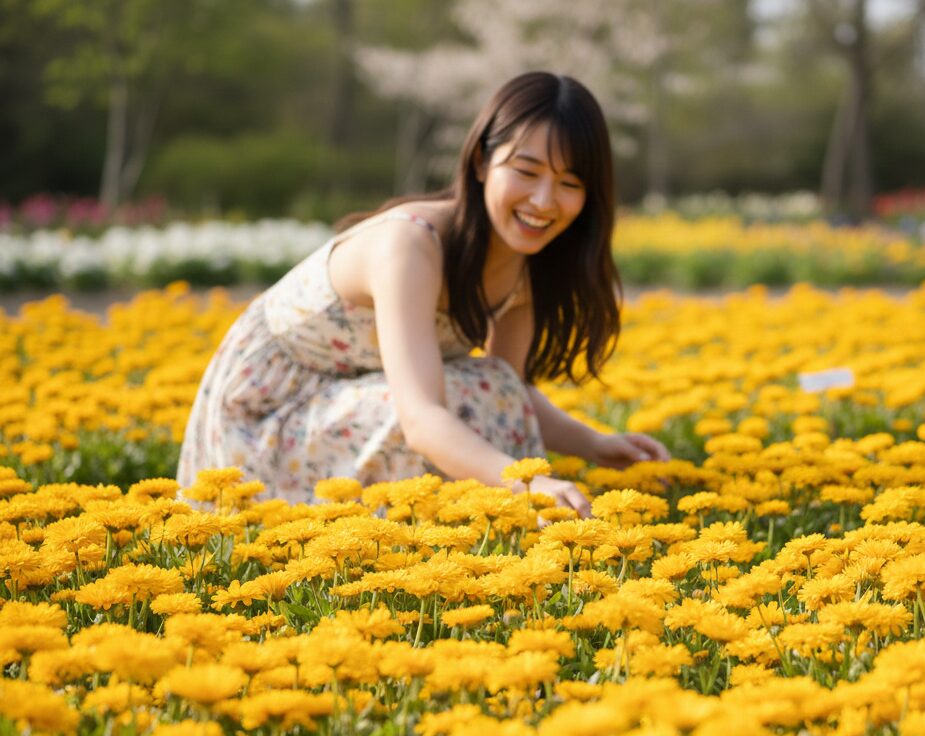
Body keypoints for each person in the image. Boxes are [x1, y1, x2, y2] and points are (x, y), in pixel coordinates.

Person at [177, 71, 670, 515]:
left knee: (489, 387)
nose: (543, 201)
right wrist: (526, 484)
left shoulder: (526, 268)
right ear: (481, 162)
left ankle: (475, 544)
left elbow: (509, 391)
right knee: (456, 401)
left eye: (569, 182)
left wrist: (595, 444)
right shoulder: (409, 244)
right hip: (266, 413)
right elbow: (420, 418)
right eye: (526, 171)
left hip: (355, 400)